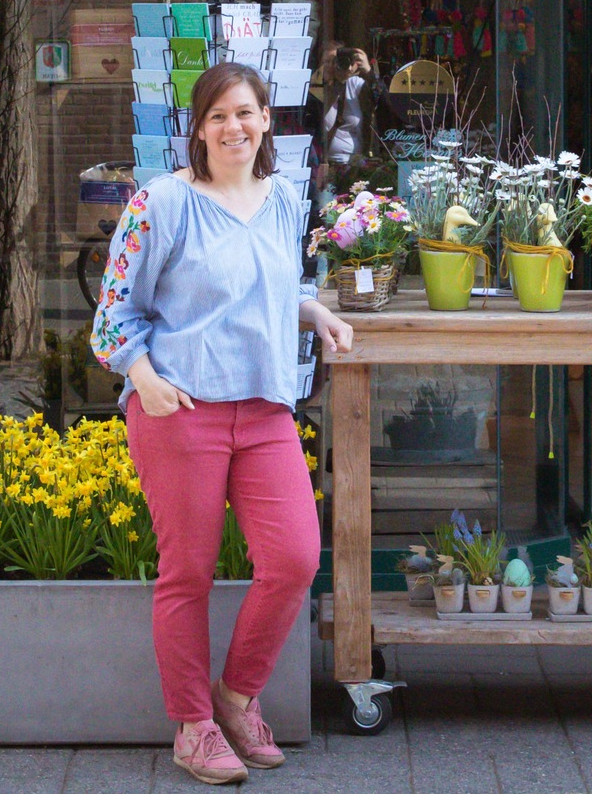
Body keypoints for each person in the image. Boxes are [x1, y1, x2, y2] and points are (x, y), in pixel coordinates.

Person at [91, 62, 354, 786]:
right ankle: (193, 726)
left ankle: (236, 698)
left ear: (268, 119)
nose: (233, 127)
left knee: (296, 556)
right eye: (217, 116)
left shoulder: (285, 200)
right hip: (181, 411)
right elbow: (114, 314)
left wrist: (316, 310)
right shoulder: (162, 204)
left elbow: (272, 285)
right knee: (188, 572)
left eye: (246, 113)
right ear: (198, 129)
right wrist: (144, 378)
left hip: (265, 408)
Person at [319, 41, 380, 164]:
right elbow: (321, 111)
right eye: (327, 61)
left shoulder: (354, 84)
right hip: (326, 163)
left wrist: (368, 71)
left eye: (336, 61)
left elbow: (381, 100)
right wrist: (340, 82)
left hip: (356, 163)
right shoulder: (315, 87)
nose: (332, 66)